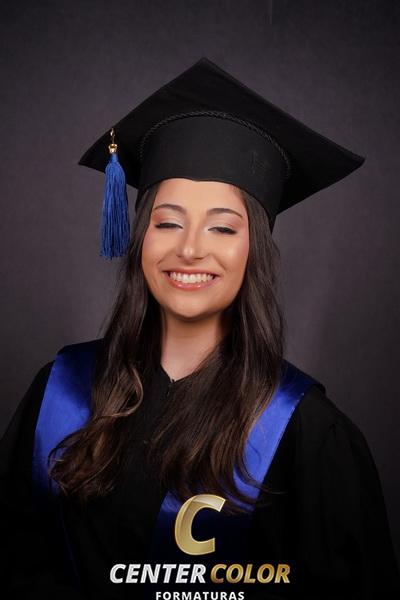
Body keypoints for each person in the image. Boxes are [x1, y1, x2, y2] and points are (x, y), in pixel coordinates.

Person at [1, 58, 399, 600]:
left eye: (222, 228)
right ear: (140, 238)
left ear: (253, 250)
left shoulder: (306, 434)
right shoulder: (59, 392)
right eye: (168, 222)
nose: (189, 248)